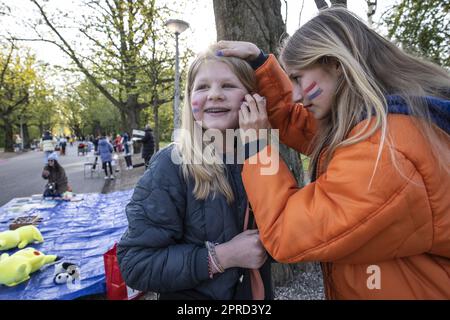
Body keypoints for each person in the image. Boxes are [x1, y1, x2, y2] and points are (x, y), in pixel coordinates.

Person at [217, 7, 450, 299]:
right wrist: (263, 65)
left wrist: (257, 146)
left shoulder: (386, 152)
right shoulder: (384, 122)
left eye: (299, 78)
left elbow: (286, 232)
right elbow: (297, 122)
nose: (298, 95)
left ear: (336, 64)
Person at [117, 45, 273, 300]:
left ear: (253, 97)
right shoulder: (171, 166)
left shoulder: (262, 157)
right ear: (190, 100)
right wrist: (222, 257)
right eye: (202, 87)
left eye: (228, 86)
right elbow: (135, 263)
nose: (214, 95)